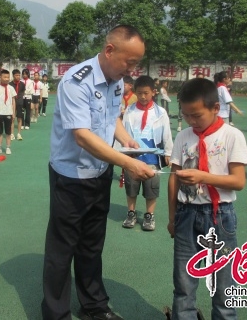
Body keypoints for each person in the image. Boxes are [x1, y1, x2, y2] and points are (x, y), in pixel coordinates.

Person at [42, 25, 155, 320]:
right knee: (62, 249)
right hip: (71, 177)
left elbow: (110, 118)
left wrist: (126, 139)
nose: (132, 70)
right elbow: (82, 135)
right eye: (130, 62)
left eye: (136, 64)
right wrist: (127, 163)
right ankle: (56, 314)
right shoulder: (76, 81)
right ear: (109, 50)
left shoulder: (116, 81)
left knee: (92, 245)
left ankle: (94, 306)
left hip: (100, 172)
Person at [167, 77, 247, 320]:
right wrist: (172, 217)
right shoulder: (183, 137)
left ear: (215, 108)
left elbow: (238, 181)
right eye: (186, 115)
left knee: (223, 286)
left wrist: (204, 176)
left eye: (197, 115)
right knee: (183, 284)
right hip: (186, 214)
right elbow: (174, 178)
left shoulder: (232, 136)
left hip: (220, 216)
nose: (191, 121)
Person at [121, 76, 173, 231]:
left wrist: (169, 152)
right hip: (133, 156)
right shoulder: (129, 110)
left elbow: (166, 133)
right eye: (139, 93)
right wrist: (120, 152)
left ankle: (149, 215)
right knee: (131, 186)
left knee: (152, 187)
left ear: (154, 92)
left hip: (153, 157)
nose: (143, 97)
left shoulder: (160, 112)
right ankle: (131, 213)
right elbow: (122, 131)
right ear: (135, 92)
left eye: (146, 93)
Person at [0, 69, 16, 155]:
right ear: (0, 77)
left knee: (8, 132)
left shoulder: (11, 88)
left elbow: (13, 101)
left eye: (8, 77)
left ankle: (8, 147)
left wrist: (13, 113)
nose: (6, 79)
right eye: (5, 77)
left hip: (8, 113)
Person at [10, 69, 25, 141]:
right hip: (12, 104)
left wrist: (21, 101)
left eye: (19, 75)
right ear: (13, 76)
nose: (18, 76)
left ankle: (19, 134)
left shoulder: (22, 84)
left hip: (20, 103)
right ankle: (12, 134)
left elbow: (22, 93)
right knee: (12, 119)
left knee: (19, 118)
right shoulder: (10, 84)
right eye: (16, 75)